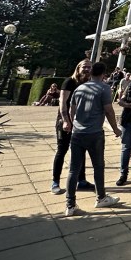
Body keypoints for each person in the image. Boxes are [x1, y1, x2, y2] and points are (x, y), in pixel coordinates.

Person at [65, 62, 122, 216]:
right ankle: (101, 197)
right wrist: (116, 129)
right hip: (94, 133)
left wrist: (73, 124)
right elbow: (109, 110)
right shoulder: (104, 88)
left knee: (73, 169)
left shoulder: (80, 88)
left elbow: (71, 109)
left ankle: (70, 204)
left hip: (77, 133)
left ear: (91, 73)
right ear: (104, 74)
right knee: (98, 166)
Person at [51, 61, 93, 195]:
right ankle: (55, 181)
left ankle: (81, 180)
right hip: (65, 121)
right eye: (84, 67)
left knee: (81, 150)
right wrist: (65, 120)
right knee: (62, 150)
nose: (87, 69)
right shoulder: (70, 82)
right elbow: (62, 102)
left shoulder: (89, 83)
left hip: (80, 122)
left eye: (89, 67)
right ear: (78, 68)